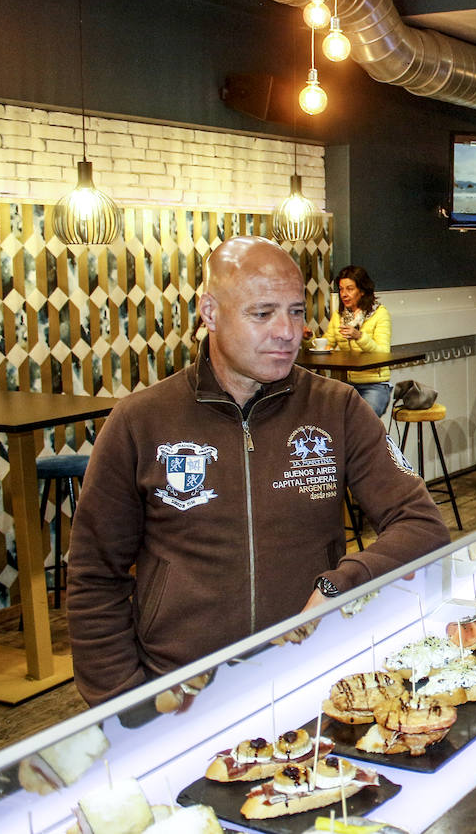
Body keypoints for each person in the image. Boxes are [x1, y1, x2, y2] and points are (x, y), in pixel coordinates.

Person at [68, 237, 450, 706]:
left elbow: (422, 525)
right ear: (210, 313)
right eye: (262, 313)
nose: (288, 331)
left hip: (311, 679)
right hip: (183, 691)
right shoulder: (140, 420)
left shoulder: (338, 408)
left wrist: (341, 584)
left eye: (295, 311)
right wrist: (122, 702)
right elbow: (94, 576)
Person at [318, 265, 393, 418]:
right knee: (329, 420)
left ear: (362, 290)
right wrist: (307, 339)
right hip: (344, 384)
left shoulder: (379, 314)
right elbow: (326, 344)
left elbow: (383, 353)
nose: (344, 294)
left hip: (374, 384)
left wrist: (359, 336)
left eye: (350, 289)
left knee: (362, 422)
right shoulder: (339, 316)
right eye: (341, 289)